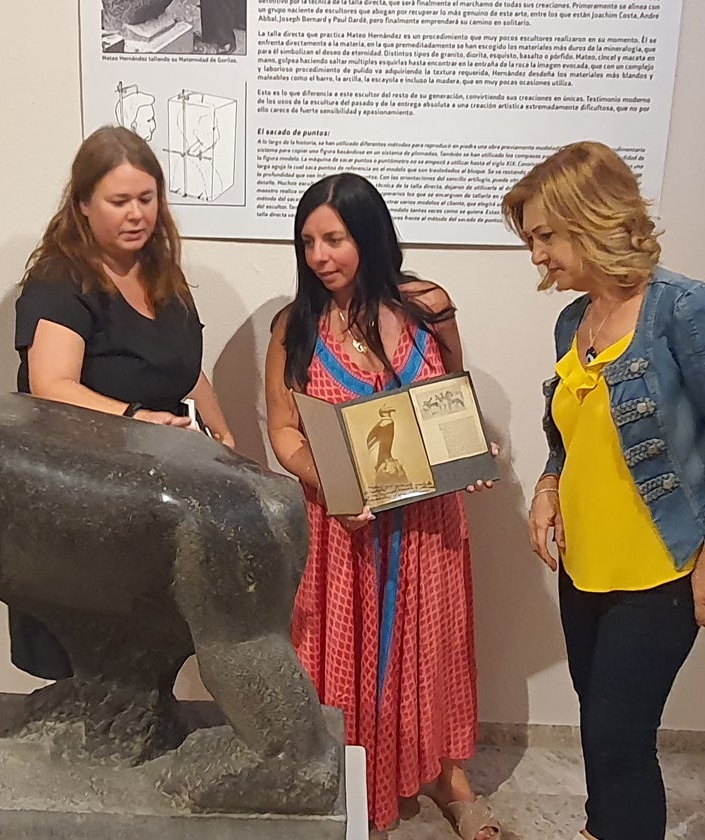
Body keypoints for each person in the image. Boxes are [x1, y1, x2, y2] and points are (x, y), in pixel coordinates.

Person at [503, 141, 705, 840]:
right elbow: (572, 432)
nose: (536, 255)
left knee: (620, 739)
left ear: (589, 217)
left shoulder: (687, 311)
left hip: (660, 570)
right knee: (603, 727)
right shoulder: (574, 320)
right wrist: (547, 484)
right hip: (586, 566)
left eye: (543, 236)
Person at [264, 173, 499, 839]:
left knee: (434, 648)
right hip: (342, 529)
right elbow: (283, 432)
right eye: (308, 242)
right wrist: (333, 487)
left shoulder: (429, 305)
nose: (319, 256)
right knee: (337, 654)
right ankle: (343, 785)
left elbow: (453, 389)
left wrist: (472, 445)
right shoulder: (295, 326)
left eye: (333, 239)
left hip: (425, 524)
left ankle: (450, 777)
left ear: (369, 235)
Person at [11, 124, 233, 678]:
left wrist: (225, 436)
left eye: (146, 198)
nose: (136, 214)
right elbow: (52, 385)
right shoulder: (60, 279)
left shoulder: (161, 271)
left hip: (154, 492)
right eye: (118, 202)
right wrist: (137, 421)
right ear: (83, 204)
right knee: (90, 666)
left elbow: (180, 367)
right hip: (81, 495)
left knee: (149, 653)